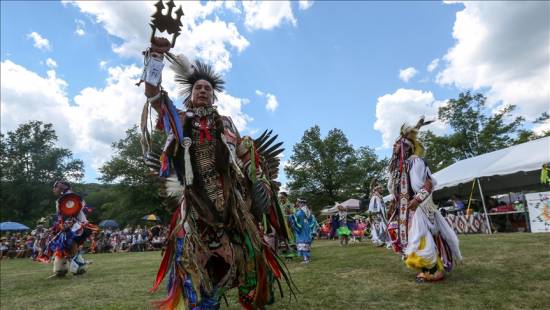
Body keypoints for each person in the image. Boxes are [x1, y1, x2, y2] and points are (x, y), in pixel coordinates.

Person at [139, 37, 294, 308]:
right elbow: (153, 95)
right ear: (190, 94)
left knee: (250, 263)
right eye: (198, 87)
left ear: (213, 95)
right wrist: (155, 58)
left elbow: (244, 154)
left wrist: (258, 180)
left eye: (207, 88)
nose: (202, 90)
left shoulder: (224, 123)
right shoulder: (181, 120)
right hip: (196, 209)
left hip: (232, 208)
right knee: (198, 280)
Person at [387, 118, 462, 283]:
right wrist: (395, 203)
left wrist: (418, 199)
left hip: (419, 208)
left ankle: (434, 270)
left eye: (398, 144)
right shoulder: (399, 168)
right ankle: (425, 268)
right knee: (409, 237)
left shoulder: (415, 162)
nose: (395, 147)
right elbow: (397, 190)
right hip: (405, 210)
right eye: (395, 144)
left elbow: (428, 182)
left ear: (407, 147)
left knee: (421, 236)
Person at [39, 180, 99, 277]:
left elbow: (72, 213)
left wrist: (65, 225)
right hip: (69, 227)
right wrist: (56, 227)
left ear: (61, 188)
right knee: (61, 245)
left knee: (69, 243)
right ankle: (60, 270)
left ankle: (79, 269)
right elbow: (61, 217)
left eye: (55, 187)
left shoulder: (70, 198)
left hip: (77, 227)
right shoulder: (63, 199)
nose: (53, 189)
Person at [289, 199, 318, 263]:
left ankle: (306, 259)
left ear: (300, 203)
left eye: (297, 202)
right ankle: (308, 258)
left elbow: (297, 219)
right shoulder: (307, 210)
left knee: (302, 243)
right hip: (306, 228)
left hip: (302, 229)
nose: (296, 203)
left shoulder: (301, 211)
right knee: (306, 243)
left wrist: (291, 216)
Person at [368, 181, 390, 247]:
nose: (382, 190)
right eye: (380, 189)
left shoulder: (379, 196)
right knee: (379, 227)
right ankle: (379, 240)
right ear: (377, 189)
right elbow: (374, 208)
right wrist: (376, 215)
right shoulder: (375, 197)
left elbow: (382, 206)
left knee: (383, 227)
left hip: (381, 215)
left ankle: (382, 240)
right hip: (377, 215)